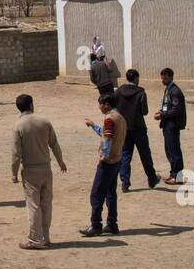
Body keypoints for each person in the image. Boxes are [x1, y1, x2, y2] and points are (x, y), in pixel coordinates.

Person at [10, 94, 67, 249]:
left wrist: (14, 173)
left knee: (34, 205)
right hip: (46, 169)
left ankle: (35, 239)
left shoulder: (19, 126)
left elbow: (16, 153)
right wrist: (60, 161)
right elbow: (54, 144)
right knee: (46, 204)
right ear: (31, 105)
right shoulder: (44, 121)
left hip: (30, 171)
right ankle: (45, 237)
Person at [81, 92, 127, 236]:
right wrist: (93, 125)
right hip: (117, 160)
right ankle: (112, 224)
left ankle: (96, 224)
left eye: (100, 105)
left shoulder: (109, 119)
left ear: (106, 105)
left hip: (108, 162)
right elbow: (106, 134)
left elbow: (107, 139)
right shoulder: (120, 118)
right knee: (110, 193)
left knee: (97, 194)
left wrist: (103, 156)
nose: (100, 107)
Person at [114, 69, 158, 192]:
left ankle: (125, 182)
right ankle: (152, 178)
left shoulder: (118, 91)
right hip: (138, 128)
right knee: (145, 155)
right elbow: (144, 111)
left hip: (124, 128)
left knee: (125, 155)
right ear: (136, 79)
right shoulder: (141, 92)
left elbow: (114, 107)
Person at [154, 67, 187, 185]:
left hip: (172, 124)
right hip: (167, 123)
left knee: (174, 150)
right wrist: (160, 111)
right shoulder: (168, 90)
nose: (162, 80)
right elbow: (168, 106)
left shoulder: (175, 91)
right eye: (162, 78)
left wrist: (162, 114)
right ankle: (174, 173)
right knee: (169, 149)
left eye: (165, 78)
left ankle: (177, 176)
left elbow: (176, 110)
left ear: (170, 77)